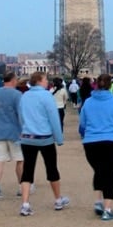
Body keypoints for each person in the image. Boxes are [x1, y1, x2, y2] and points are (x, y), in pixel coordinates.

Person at [78, 73, 113, 221]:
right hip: (111, 141)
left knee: (99, 171)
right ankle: (107, 209)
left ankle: (98, 201)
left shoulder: (88, 102)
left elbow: (82, 123)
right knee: (110, 175)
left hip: (91, 143)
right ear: (110, 85)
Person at [18, 71, 69, 216]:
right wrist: (59, 138)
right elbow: (53, 118)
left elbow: (21, 116)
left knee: (28, 170)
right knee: (52, 168)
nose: (48, 82)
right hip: (45, 137)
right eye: (46, 79)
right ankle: (58, 199)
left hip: (27, 137)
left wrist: (24, 130)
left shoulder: (25, 96)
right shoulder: (46, 96)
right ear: (40, 81)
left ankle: (25, 203)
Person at [0, 72, 24, 198]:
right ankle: (21, 186)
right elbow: (21, 114)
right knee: (20, 160)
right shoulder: (17, 95)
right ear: (13, 80)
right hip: (15, 132)